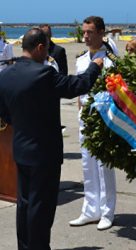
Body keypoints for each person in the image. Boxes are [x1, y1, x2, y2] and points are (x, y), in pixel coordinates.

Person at [0, 28, 103, 250]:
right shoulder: (43, 75)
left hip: (21, 149)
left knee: (24, 204)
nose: (48, 54)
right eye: (47, 49)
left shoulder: (5, 74)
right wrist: (95, 67)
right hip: (44, 155)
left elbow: (5, 114)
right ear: (39, 48)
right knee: (41, 208)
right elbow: (78, 85)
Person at [69, 16, 117, 231]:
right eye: (84, 32)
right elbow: (80, 89)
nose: (85, 36)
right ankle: (90, 210)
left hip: (104, 119)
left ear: (101, 33)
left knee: (104, 168)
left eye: (89, 32)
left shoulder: (110, 60)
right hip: (85, 119)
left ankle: (107, 212)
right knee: (88, 166)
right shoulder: (80, 59)